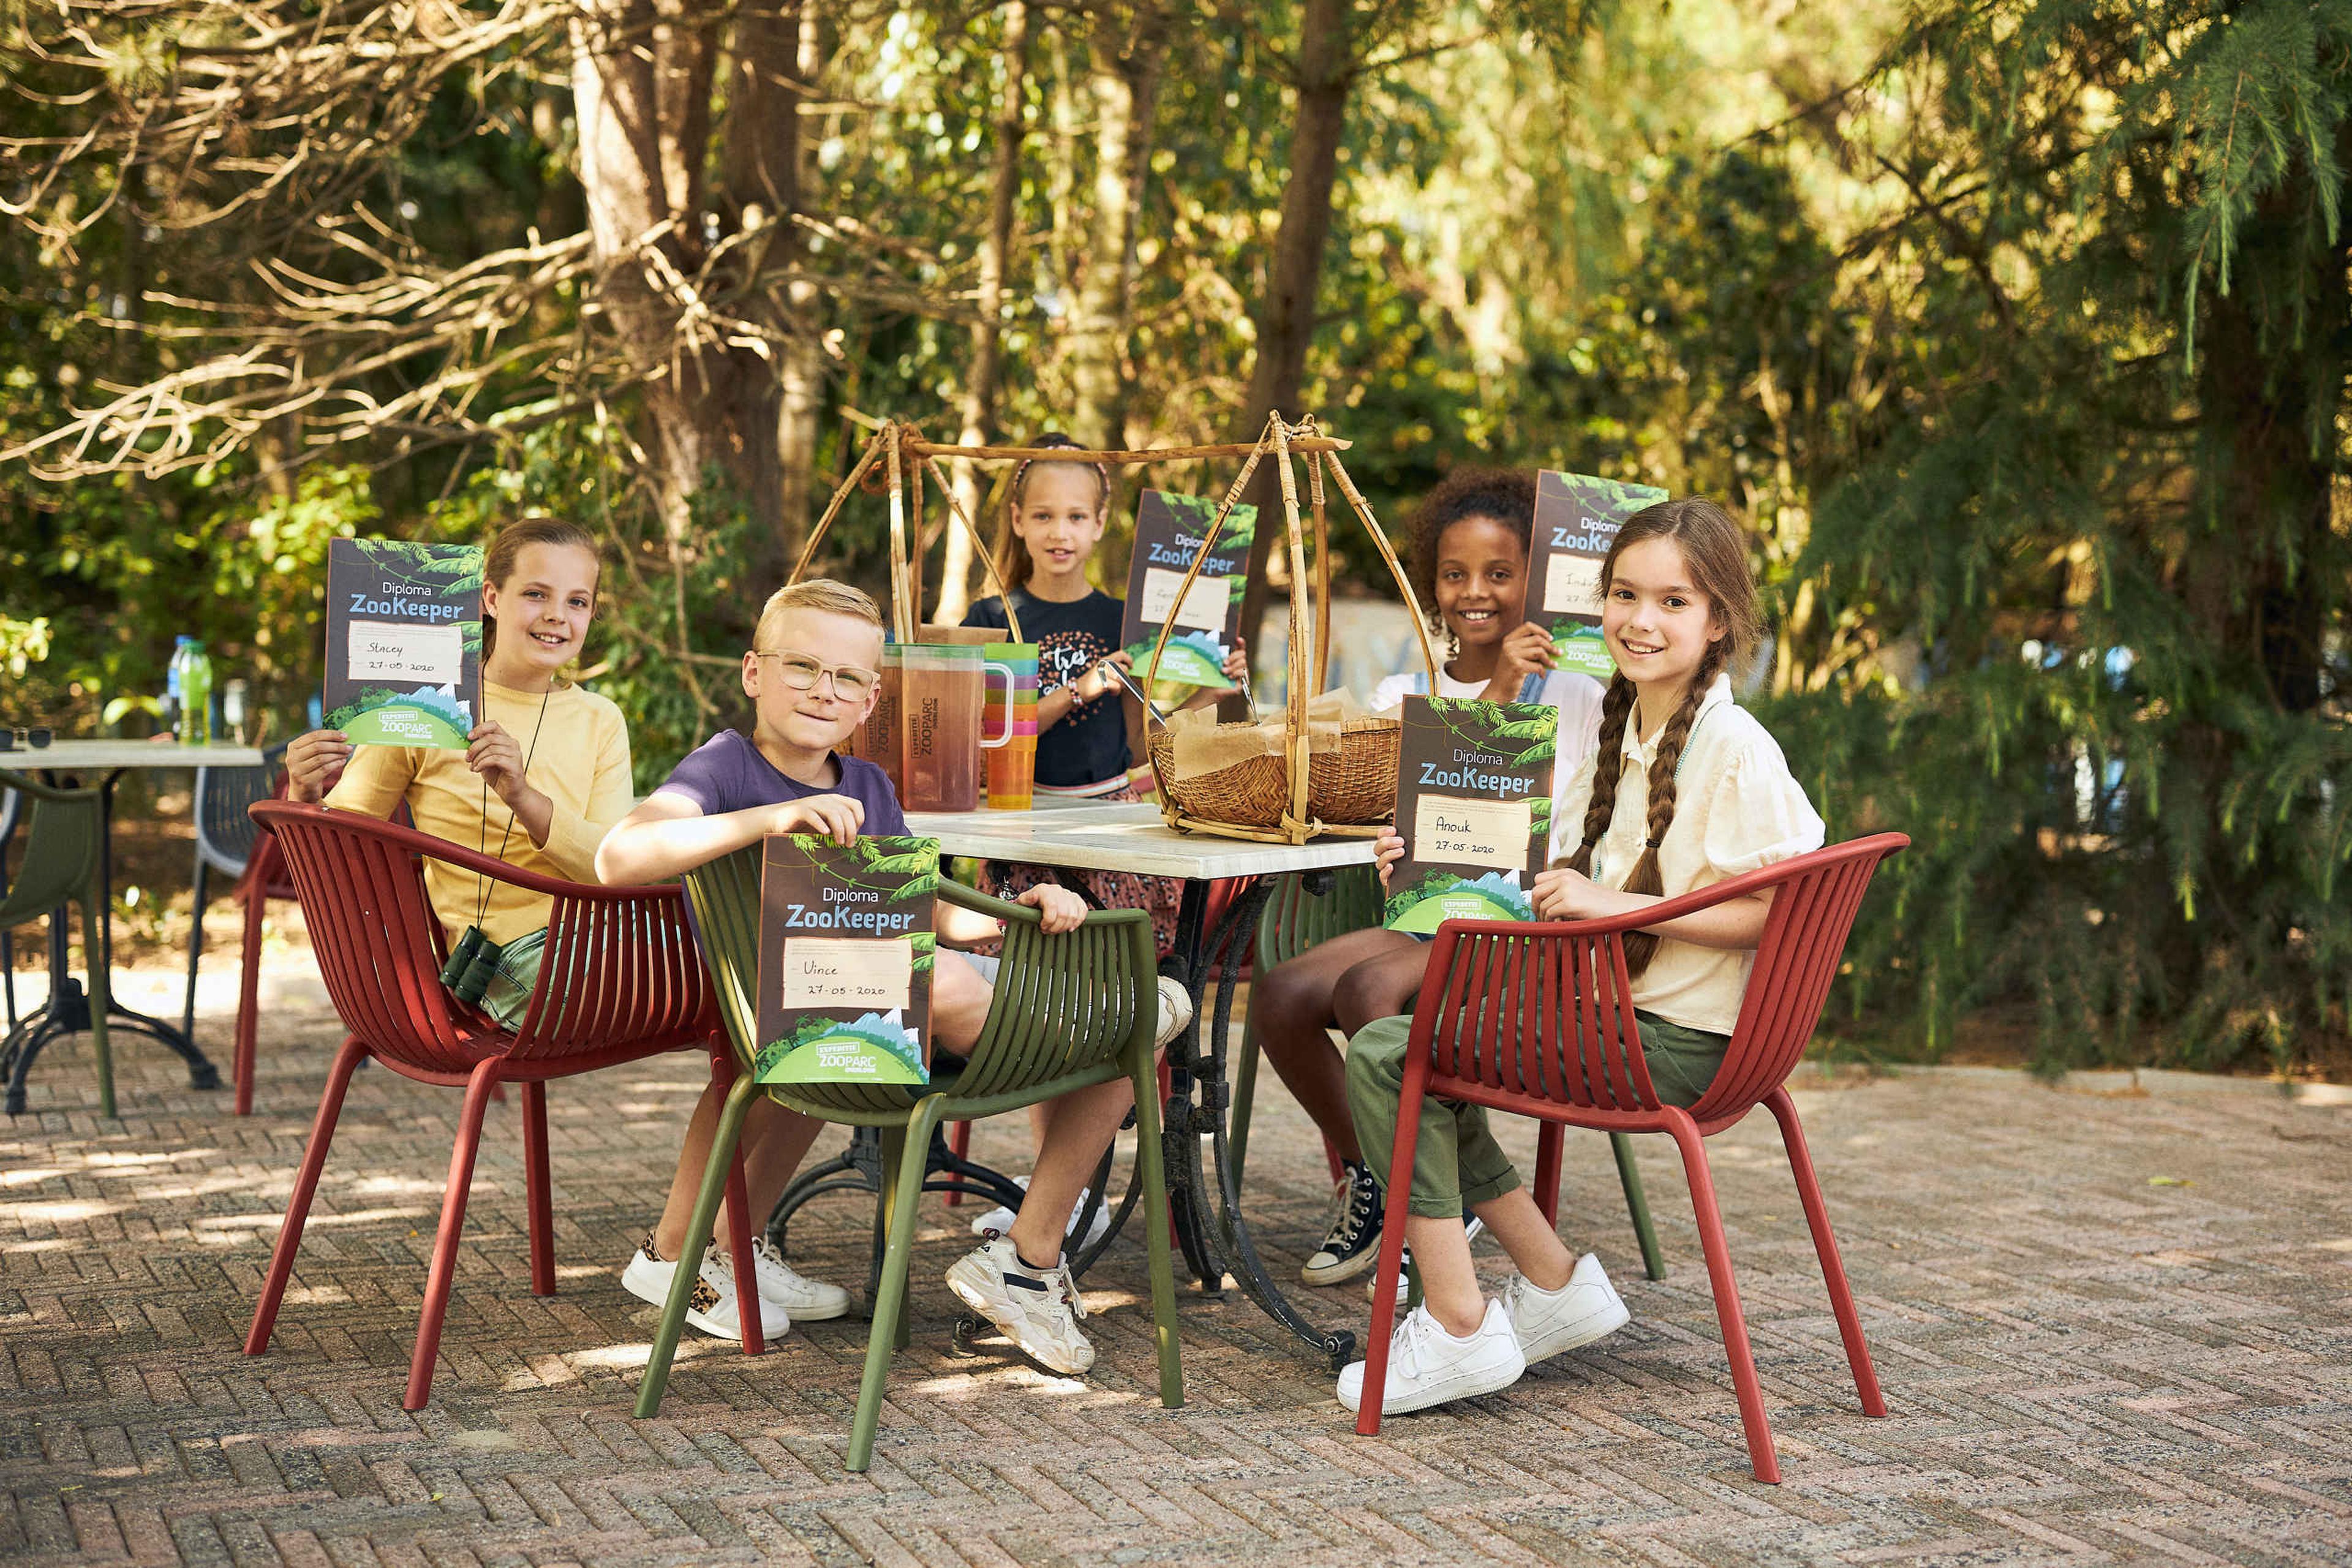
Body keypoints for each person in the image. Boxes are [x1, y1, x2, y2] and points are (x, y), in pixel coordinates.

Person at [596, 578, 1193, 1376]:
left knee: (1037, 993)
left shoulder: (869, 785)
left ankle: (1026, 1246)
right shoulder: (727, 766)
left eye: (845, 678)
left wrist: (1018, 911)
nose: (822, 690)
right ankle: (1099, 1041)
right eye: (801, 666)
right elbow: (618, 858)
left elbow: (929, 911)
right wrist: (770, 819)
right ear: (752, 673)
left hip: (865, 1020)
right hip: (794, 1013)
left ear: (872, 696)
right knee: (1095, 1015)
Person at [284, 517, 856, 1347]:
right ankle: (681, 1258)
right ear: (489, 598)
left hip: (600, 949)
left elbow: (614, 859)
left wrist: (526, 798)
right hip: (515, 975)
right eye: (536, 594)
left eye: (578, 600)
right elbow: (347, 838)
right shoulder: (421, 703)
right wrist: (305, 792)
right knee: (788, 1001)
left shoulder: (598, 718)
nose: (558, 615)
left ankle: (727, 1245)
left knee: (811, 999)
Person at [1336, 496, 1825, 1415]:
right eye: (1625, 595)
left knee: (1388, 1053)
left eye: (1674, 602)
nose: (1642, 621)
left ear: (1718, 619)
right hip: (1628, 1019)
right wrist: (1427, 855)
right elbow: (1543, 875)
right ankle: (1554, 1283)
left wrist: (1618, 903)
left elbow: (1773, 907)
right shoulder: (1626, 723)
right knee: (1425, 1047)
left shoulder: (1733, 745)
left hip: (1683, 1042)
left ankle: (1456, 1327)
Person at [1247, 469, 1607, 1287]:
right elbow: (1406, 826)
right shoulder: (1403, 693)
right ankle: (1382, 1175)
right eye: (1454, 573)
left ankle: (1428, 1207)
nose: (1474, 593)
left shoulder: (1580, 690)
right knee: (1282, 993)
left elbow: (1581, 822)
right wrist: (1390, 845)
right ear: (1431, 581)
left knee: (1370, 991)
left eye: (1499, 572)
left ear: (1535, 580)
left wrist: (1512, 687)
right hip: (1428, 917)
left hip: (1524, 928)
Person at [956, 432, 1248, 1246]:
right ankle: (1057, 1181)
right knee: (1044, 994)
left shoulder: (1123, 616)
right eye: (1043, 513)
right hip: (1023, 825)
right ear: (1014, 520)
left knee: (1099, 992)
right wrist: (1072, 689)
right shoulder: (992, 619)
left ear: (1101, 523)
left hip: (1112, 827)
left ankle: (1069, 1186)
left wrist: (1214, 681)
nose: (1059, 530)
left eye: (1076, 515)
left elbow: (1159, 728)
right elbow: (984, 739)